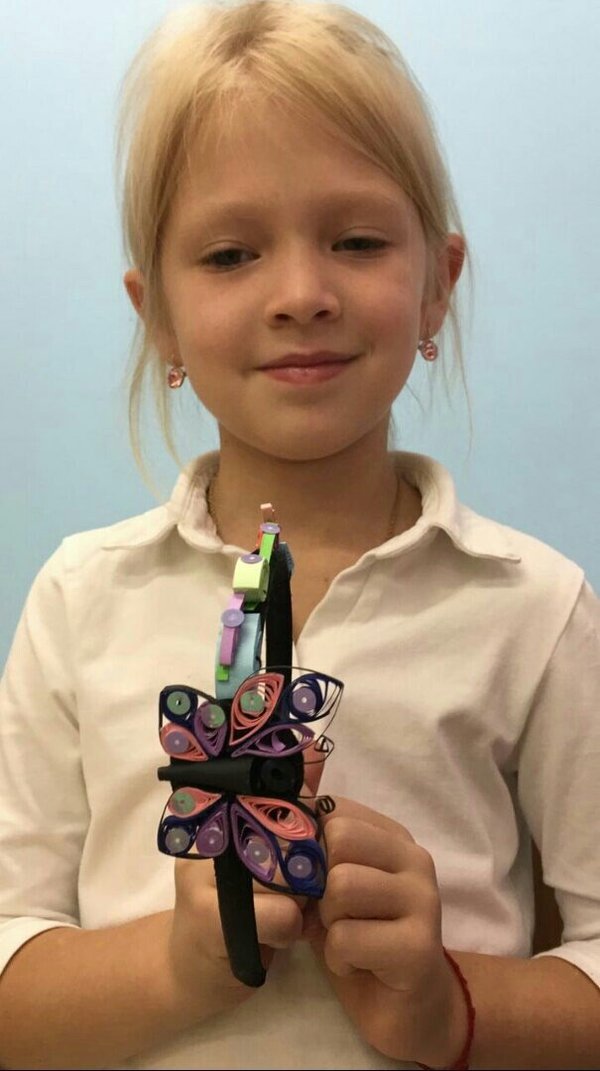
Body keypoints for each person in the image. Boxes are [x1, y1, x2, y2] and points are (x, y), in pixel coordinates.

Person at [0, 1, 598, 1068]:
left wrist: (451, 1008)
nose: (301, 295)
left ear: (437, 286)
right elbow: (15, 969)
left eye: (357, 241)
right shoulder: (79, 598)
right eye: (231, 254)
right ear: (158, 315)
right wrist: (182, 962)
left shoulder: (537, 609)